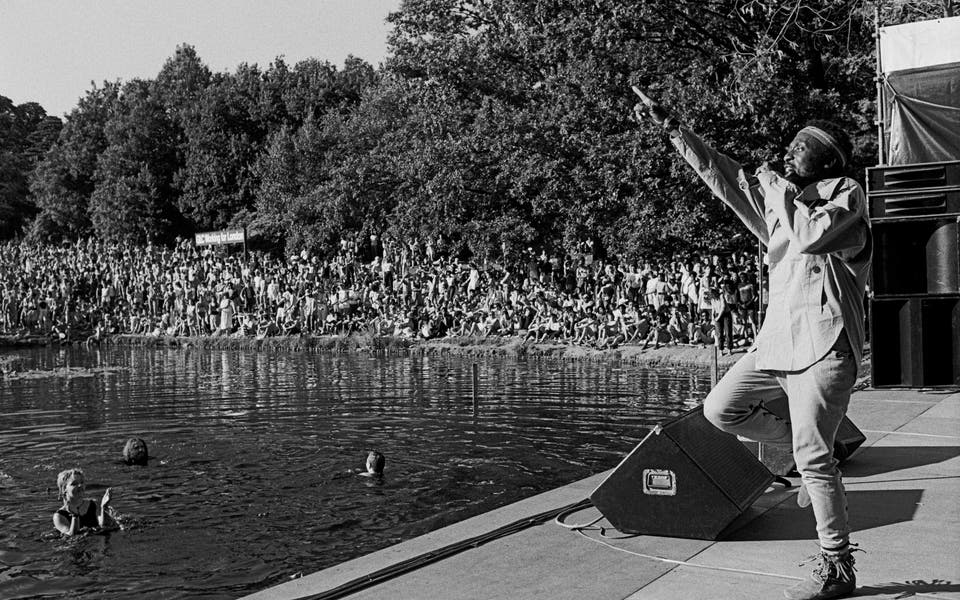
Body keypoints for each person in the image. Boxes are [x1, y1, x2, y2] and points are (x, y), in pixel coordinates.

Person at [637, 98, 871, 600]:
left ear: (828, 161)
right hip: (777, 344)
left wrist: (776, 185)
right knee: (721, 410)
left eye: (800, 148)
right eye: (788, 147)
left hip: (824, 347)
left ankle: (837, 567)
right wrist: (676, 130)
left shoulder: (846, 195)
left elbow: (811, 237)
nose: (788, 153)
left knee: (814, 459)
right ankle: (798, 446)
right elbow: (722, 178)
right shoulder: (781, 207)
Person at [53, 468, 115, 536]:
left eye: (82, 482)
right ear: (64, 489)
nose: (80, 486)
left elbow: (104, 526)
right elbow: (71, 535)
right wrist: (75, 516)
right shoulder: (59, 516)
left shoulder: (93, 504)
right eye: (74, 484)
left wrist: (104, 507)